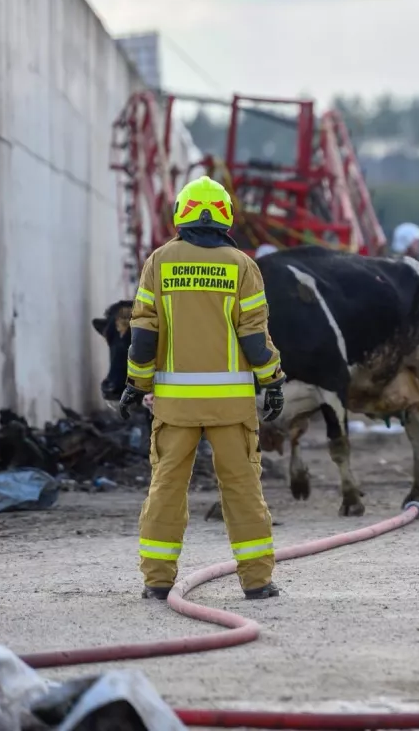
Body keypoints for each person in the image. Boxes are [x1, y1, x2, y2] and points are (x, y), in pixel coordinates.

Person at [118, 175, 289, 600]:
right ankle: (257, 582)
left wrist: (135, 385)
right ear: (226, 217)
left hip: (175, 408)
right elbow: (254, 338)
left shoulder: (159, 262)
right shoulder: (242, 266)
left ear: (182, 214)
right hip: (230, 409)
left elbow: (143, 337)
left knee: (167, 490)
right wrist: (273, 380)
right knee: (242, 490)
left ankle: (157, 583)